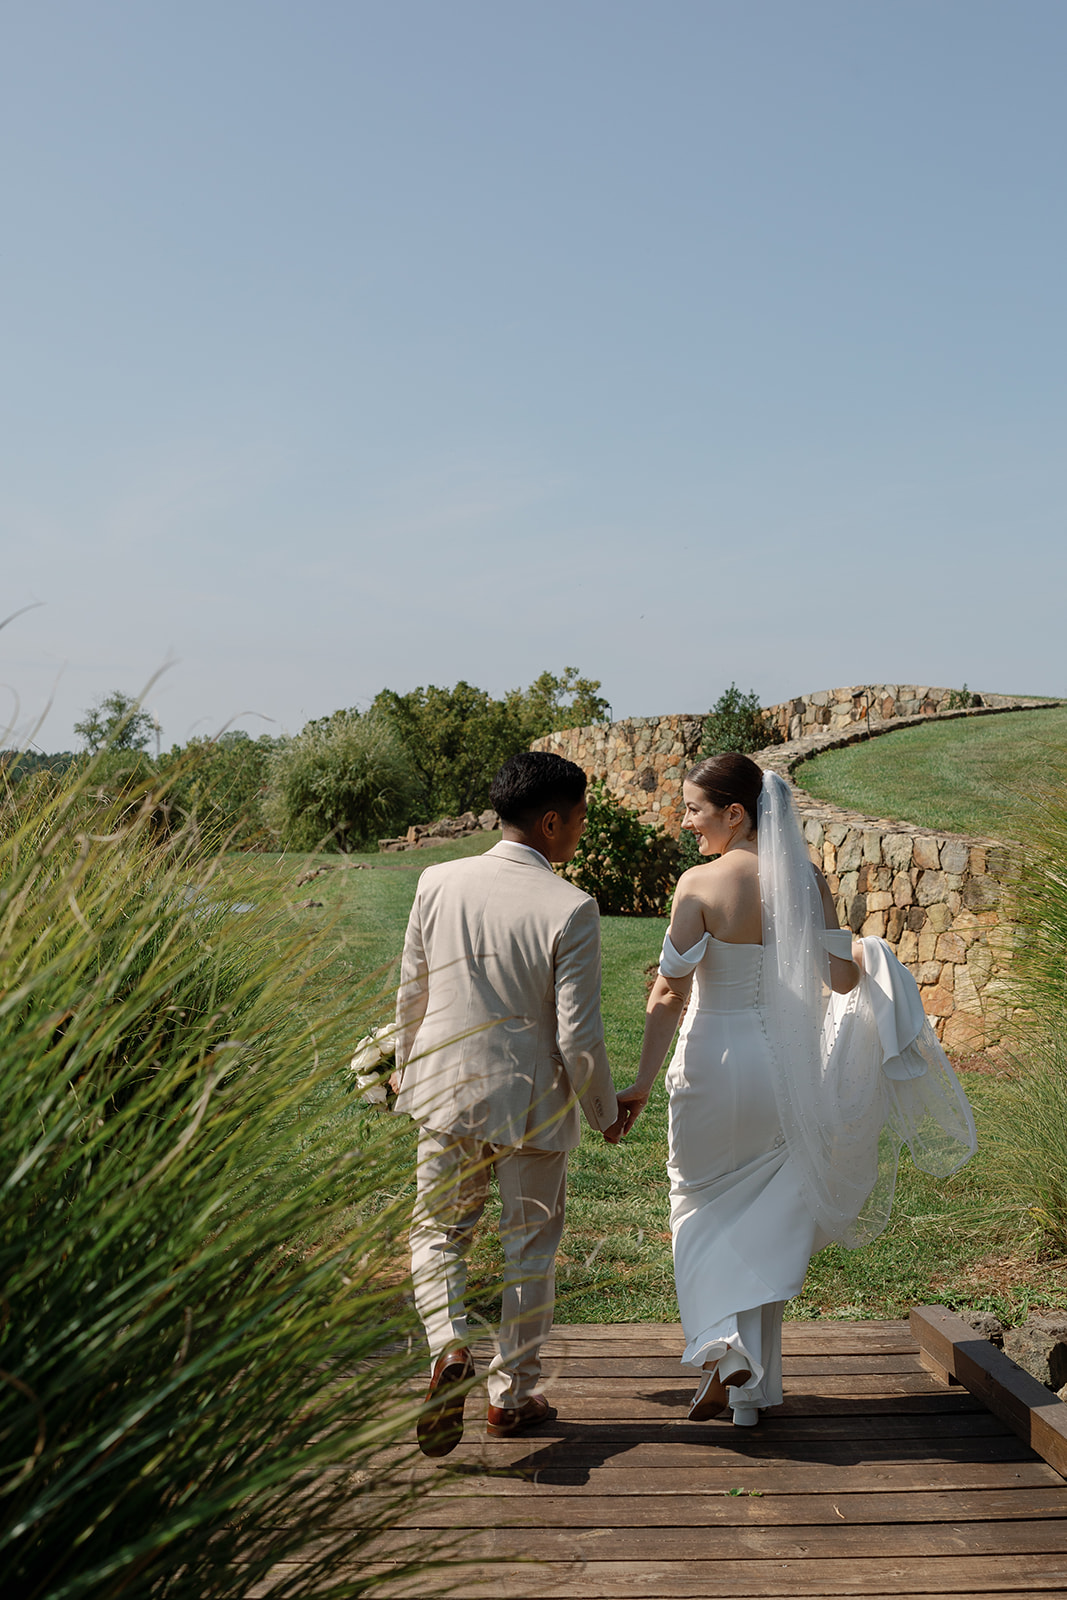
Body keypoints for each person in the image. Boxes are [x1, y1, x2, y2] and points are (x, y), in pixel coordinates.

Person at [608, 752, 976, 1428]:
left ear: (735, 813)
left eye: (694, 809)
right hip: (782, 1066)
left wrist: (638, 1081)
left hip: (712, 1062)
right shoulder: (805, 876)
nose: (687, 823)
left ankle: (720, 1345)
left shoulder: (698, 884)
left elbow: (667, 990)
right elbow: (839, 980)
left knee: (696, 1203)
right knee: (767, 1209)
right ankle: (749, 1393)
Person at [394, 751, 619, 1457]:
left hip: (444, 1093)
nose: (580, 831)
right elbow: (578, 1037)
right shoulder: (570, 907)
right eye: (579, 818)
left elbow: (412, 992)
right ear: (551, 821)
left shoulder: (437, 880)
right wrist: (606, 1112)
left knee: (436, 1233)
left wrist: (404, 1073)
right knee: (529, 1253)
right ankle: (510, 1396)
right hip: (532, 1108)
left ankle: (447, 1347)